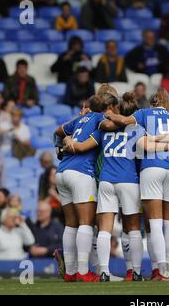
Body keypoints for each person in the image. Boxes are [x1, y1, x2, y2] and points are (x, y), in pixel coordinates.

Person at [101, 89, 169, 280]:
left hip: (151, 168)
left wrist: (110, 114)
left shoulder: (144, 114)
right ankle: (166, 271)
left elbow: (125, 122)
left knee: (154, 224)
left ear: (152, 103)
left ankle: (157, 271)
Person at [63, 92, 156, 282]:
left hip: (106, 180)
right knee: (133, 228)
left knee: (105, 228)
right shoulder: (136, 128)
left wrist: (67, 143)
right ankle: (135, 272)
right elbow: (146, 149)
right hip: (128, 180)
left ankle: (103, 271)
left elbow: (83, 142)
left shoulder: (103, 129)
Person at [54, 95, 107, 282]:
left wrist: (60, 146)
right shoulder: (101, 119)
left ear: (86, 106)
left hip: (61, 172)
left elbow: (58, 131)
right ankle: (84, 272)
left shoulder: (78, 119)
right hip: (81, 172)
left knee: (71, 224)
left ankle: (70, 272)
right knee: (86, 222)